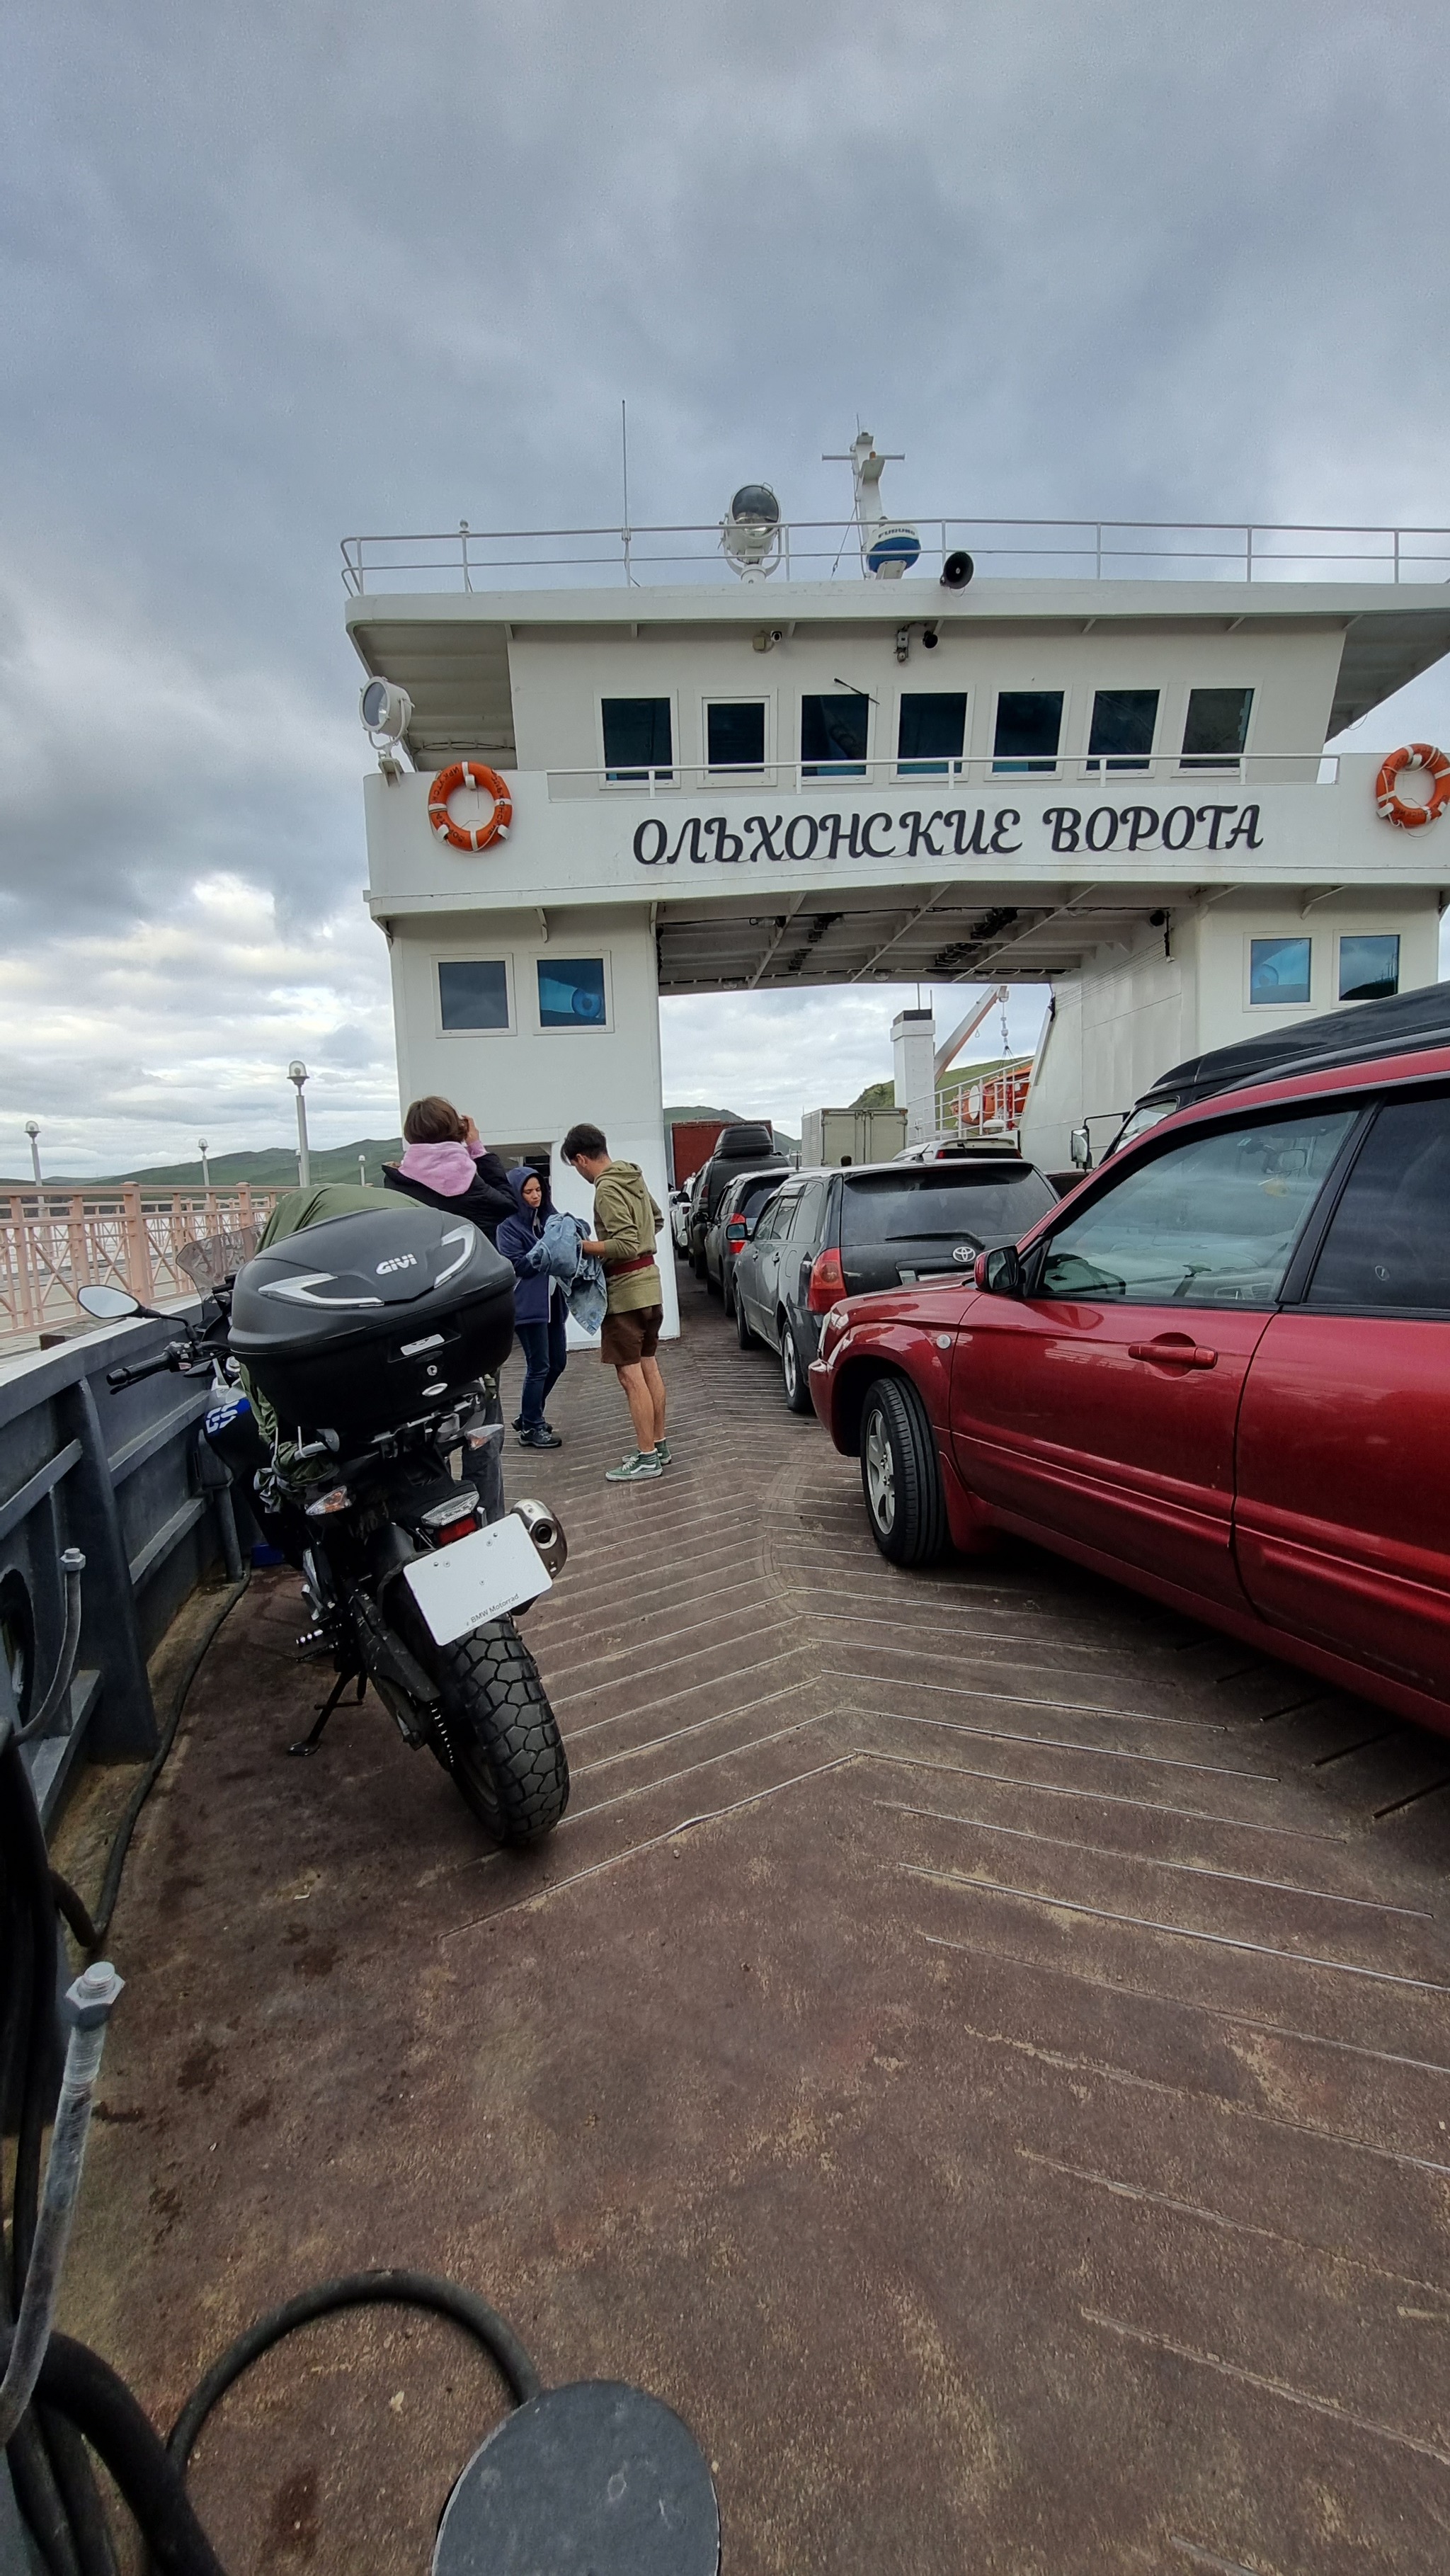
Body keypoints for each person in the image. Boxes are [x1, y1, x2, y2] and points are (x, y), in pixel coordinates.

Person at [561, 1122, 669, 1483]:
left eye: (574, 1166)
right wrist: (639, 1243)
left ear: (580, 1159)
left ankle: (646, 1457)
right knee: (649, 1366)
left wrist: (581, 1247)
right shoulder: (631, 1176)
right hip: (651, 1287)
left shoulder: (605, 1188)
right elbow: (655, 1220)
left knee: (629, 1375)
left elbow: (622, 1244)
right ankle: (658, 1445)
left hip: (625, 1293)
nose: (578, 1173)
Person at [496, 1163, 568, 1449]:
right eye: (528, 1192)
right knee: (539, 1365)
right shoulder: (508, 1226)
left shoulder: (549, 1219)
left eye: (538, 1190)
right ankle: (532, 1427)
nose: (535, 1196)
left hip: (552, 1303)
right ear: (517, 1194)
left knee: (558, 1362)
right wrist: (547, 1252)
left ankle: (529, 1415)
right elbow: (517, 1266)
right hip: (528, 1305)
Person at [383, 1095, 515, 1243]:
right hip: (471, 1264)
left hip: (418, 1265)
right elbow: (507, 1204)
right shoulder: (470, 1186)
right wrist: (478, 1151)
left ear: (409, 1134)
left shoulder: (395, 1183)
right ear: (458, 1129)